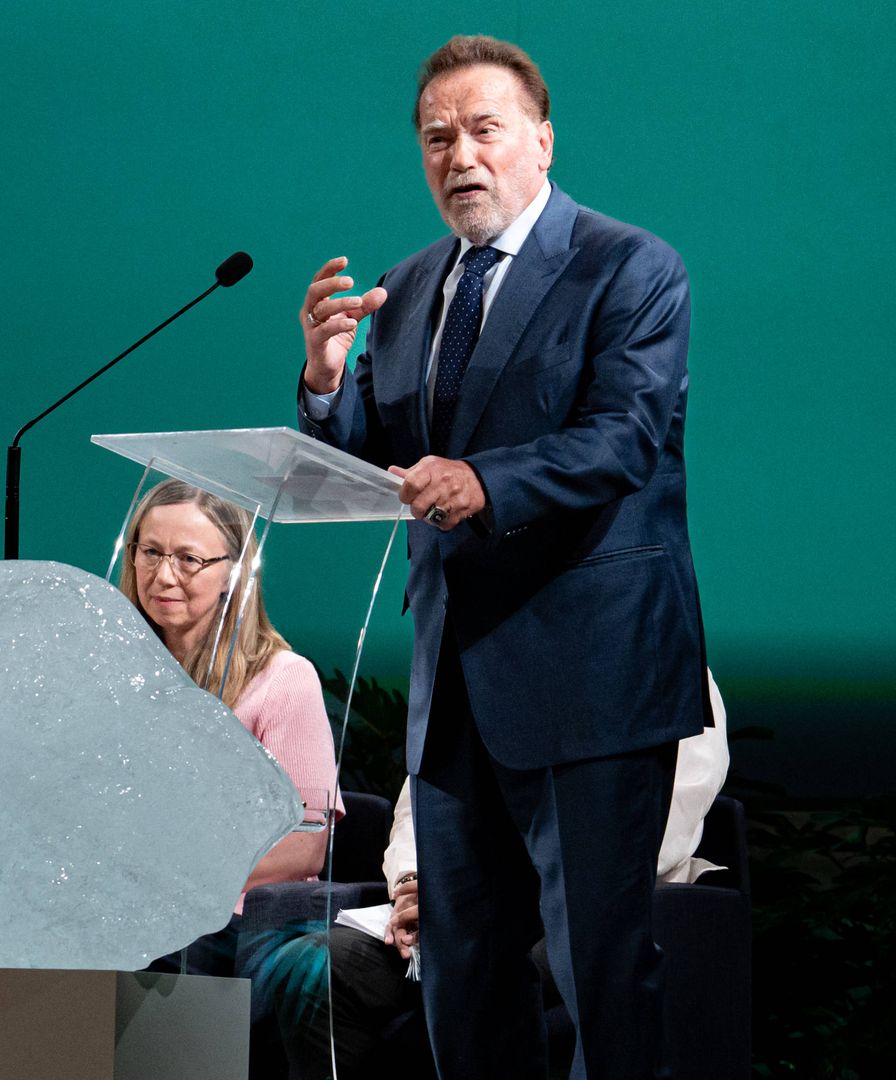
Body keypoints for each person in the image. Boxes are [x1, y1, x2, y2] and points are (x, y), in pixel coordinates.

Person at [294, 35, 709, 1078]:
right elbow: (378, 464)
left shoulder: (629, 266)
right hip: (456, 694)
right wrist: (327, 384)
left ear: (542, 140)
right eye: (438, 138)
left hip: (591, 678)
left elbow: (626, 437)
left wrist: (485, 482)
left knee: (598, 972)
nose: (461, 156)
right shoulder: (407, 287)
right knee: (462, 974)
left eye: (485, 129)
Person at [282, 676, 731, 1079]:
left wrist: (520, 884)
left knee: (486, 965)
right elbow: (422, 804)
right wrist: (412, 885)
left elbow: (661, 819)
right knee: (319, 967)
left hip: (580, 906)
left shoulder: (655, 657)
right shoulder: (481, 666)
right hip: (458, 902)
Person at [120, 478, 344, 974]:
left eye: (188, 559)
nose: (163, 576)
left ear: (234, 573)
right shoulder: (115, 678)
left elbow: (305, 847)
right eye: (150, 552)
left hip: (237, 920)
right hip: (125, 906)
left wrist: (173, 878)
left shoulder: (284, 679)